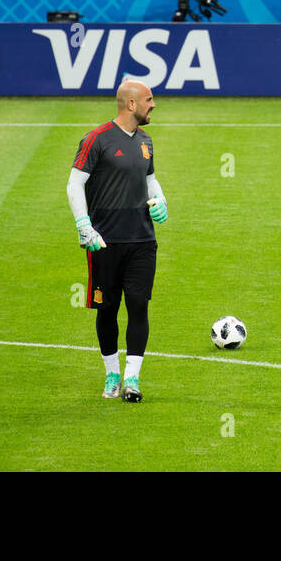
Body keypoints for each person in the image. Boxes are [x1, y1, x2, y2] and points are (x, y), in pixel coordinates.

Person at [66, 79, 168, 403]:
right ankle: (111, 372)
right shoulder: (97, 139)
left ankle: (132, 379)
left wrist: (161, 200)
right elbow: (74, 184)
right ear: (131, 104)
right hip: (104, 241)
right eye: (149, 100)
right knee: (107, 309)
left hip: (142, 240)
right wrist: (83, 224)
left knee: (139, 306)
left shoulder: (146, 141)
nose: (154, 105)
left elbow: (150, 179)